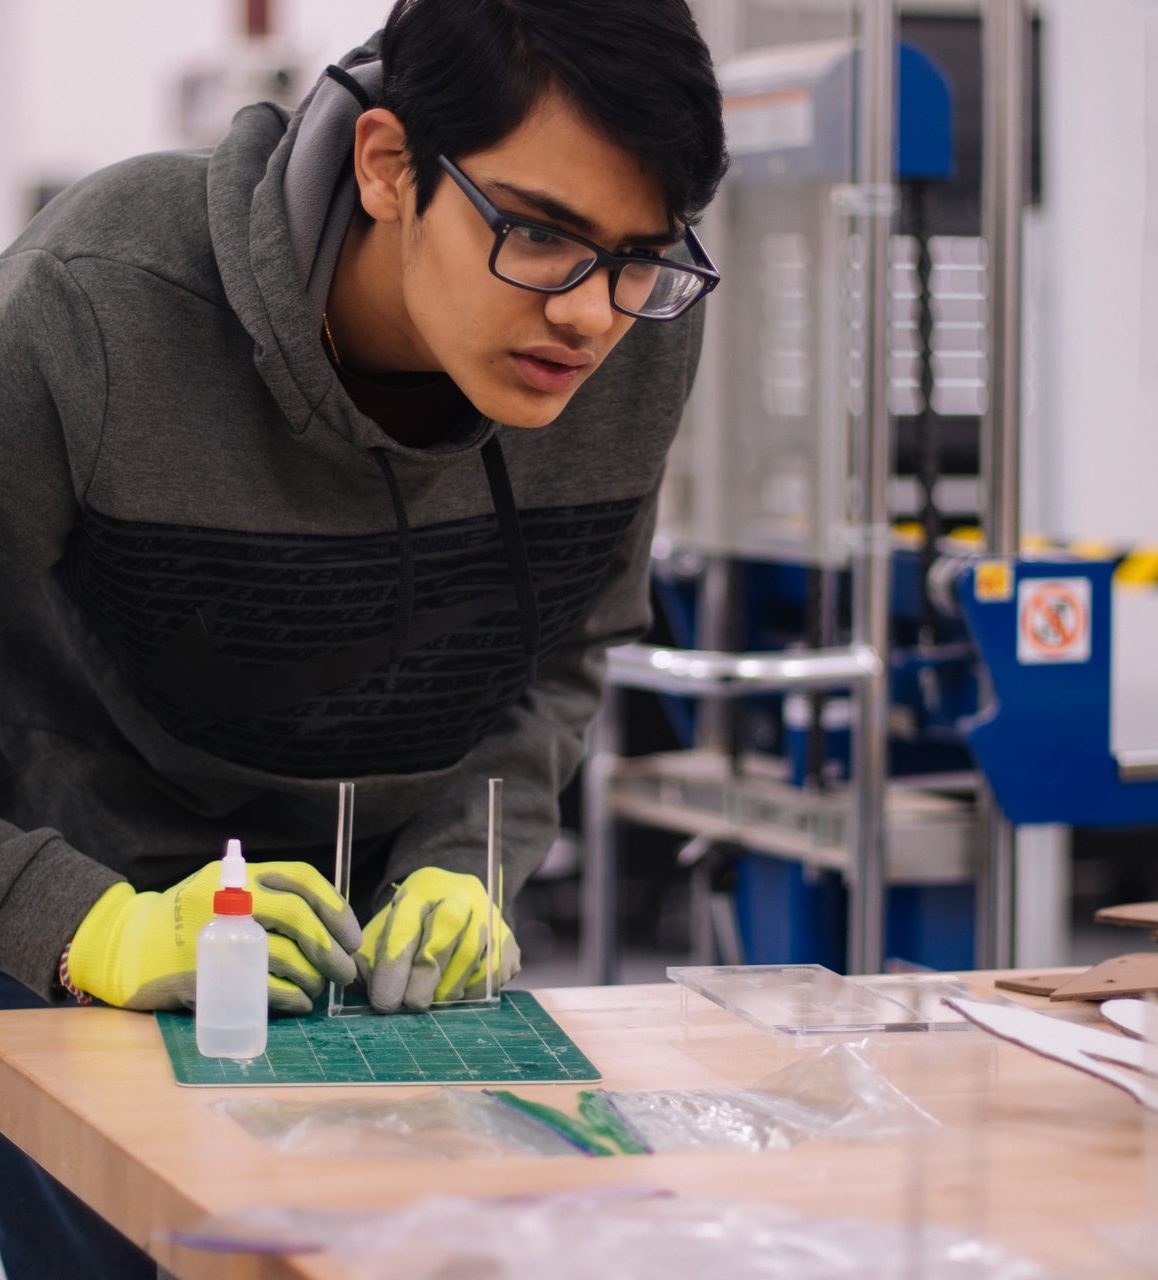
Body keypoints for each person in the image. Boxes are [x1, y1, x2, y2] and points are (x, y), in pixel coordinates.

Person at [0, 0, 727, 1273]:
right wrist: (78, 919)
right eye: (542, 236)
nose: (589, 315)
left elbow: (561, 649)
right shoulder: (93, 307)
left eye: (639, 255)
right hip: (88, 924)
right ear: (389, 164)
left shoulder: (630, 334)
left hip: (375, 949)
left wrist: (465, 860)